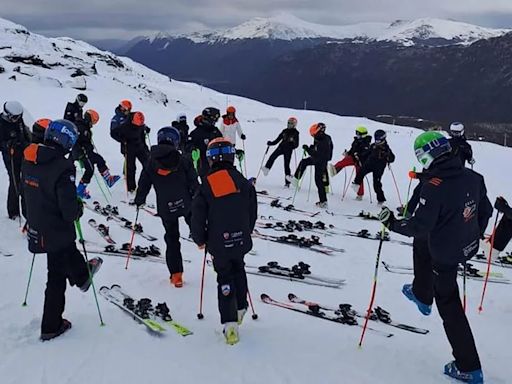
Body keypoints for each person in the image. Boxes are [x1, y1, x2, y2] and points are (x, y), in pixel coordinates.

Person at [379, 131, 492, 384]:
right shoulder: (473, 177)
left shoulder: (434, 188)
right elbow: (486, 210)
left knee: (450, 305)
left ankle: (468, 367)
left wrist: (391, 223)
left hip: (446, 255)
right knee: (422, 245)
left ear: (426, 155)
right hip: (464, 245)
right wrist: (472, 233)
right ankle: (422, 293)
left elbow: (417, 226)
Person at [22, 119, 102, 341]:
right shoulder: (63, 167)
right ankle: (51, 325)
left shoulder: (30, 159)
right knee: (56, 276)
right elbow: (69, 211)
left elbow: (26, 191)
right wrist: (77, 208)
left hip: (38, 224)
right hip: (55, 229)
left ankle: (82, 275)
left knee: (62, 257)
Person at [191, 137, 257, 345]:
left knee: (224, 276)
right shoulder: (243, 182)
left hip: (219, 243)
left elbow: (198, 216)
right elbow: (252, 212)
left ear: (210, 159)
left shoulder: (207, 185)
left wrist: (199, 239)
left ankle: (230, 324)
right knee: (239, 269)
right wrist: (247, 230)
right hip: (241, 239)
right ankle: (241, 306)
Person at [134, 127, 199, 288]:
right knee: (196, 224)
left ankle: (176, 275)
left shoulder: (150, 161)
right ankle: (201, 240)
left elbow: (143, 183)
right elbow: (193, 182)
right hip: (186, 203)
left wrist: (139, 200)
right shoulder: (183, 159)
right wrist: (200, 198)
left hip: (165, 207)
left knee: (172, 239)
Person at [73, 109, 120, 199]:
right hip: (82, 152)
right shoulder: (81, 127)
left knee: (99, 160)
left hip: (86, 151)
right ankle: (80, 191)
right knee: (90, 170)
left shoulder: (83, 126)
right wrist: (83, 148)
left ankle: (108, 179)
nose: (93, 124)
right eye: (93, 122)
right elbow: (78, 140)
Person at [287, 123, 333, 208]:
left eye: (313, 134)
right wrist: (312, 147)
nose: (313, 136)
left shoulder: (322, 141)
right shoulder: (323, 137)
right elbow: (319, 149)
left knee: (318, 181)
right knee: (304, 162)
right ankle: (296, 179)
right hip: (321, 159)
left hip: (320, 161)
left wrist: (307, 149)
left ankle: (323, 201)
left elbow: (316, 153)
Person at [0, 101, 31, 220]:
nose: (17, 119)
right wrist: (7, 144)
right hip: (11, 156)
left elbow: (24, 131)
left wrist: (28, 141)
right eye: (14, 117)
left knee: (26, 180)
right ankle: (13, 211)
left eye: (19, 117)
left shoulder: (19, 120)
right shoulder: (2, 124)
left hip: (23, 150)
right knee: (15, 180)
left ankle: (27, 209)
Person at [113, 107, 150, 195]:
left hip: (140, 146)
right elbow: (113, 133)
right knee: (131, 168)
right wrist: (122, 140)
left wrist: (145, 130)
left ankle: (147, 183)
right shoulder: (125, 126)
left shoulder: (140, 124)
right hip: (129, 148)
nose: (138, 126)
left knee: (148, 164)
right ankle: (131, 188)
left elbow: (142, 133)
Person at [328, 126, 372, 199]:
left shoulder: (366, 143)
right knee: (346, 160)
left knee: (359, 177)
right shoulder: (356, 141)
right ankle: (335, 169)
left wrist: (358, 156)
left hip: (360, 162)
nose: (357, 135)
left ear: (363, 134)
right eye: (356, 133)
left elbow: (365, 154)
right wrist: (348, 153)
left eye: (358, 134)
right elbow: (352, 150)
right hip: (354, 158)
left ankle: (360, 194)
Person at [352, 129, 395, 204]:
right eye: (376, 140)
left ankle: (381, 199)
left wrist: (387, 156)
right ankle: (356, 184)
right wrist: (359, 156)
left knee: (376, 184)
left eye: (378, 141)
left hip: (379, 168)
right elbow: (366, 153)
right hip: (369, 164)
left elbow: (392, 158)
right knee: (360, 172)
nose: (377, 142)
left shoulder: (386, 149)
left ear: (383, 139)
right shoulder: (373, 146)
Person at [261, 117, 300, 187]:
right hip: (281, 147)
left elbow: (296, 144)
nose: (289, 125)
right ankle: (267, 168)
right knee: (272, 157)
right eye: (288, 123)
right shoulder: (284, 131)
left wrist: (292, 145)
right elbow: (277, 140)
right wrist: (271, 143)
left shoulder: (296, 133)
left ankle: (287, 183)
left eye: (291, 123)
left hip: (288, 150)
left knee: (286, 165)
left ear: (294, 125)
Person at [186, 107, 222, 178]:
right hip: (203, 168)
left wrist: (232, 149)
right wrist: (192, 149)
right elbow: (187, 146)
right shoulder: (196, 133)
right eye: (214, 120)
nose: (215, 122)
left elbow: (222, 142)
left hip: (217, 166)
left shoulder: (215, 131)